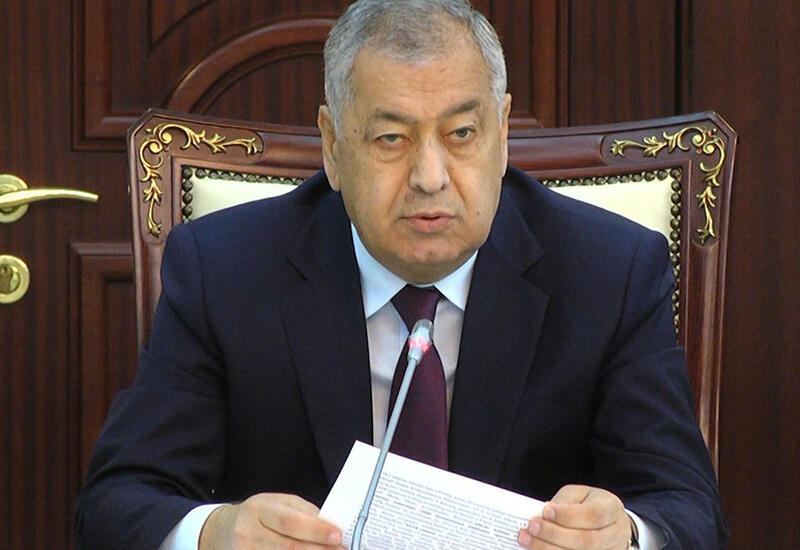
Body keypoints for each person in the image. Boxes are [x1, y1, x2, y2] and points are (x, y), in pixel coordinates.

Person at [76, 1, 728, 549]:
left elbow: (689, 511)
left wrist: (627, 535)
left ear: (502, 131)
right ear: (333, 146)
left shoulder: (609, 273)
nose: (430, 177)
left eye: (462, 133)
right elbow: (115, 504)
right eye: (391, 138)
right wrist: (214, 532)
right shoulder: (225, 271)